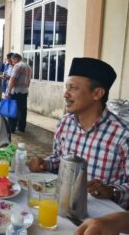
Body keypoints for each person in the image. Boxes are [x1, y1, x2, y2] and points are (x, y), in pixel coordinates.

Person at [28, 57, 129, 209]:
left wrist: (112, 191)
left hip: (102, 220)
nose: (65, 94)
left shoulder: (123, 135)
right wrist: (45, 163)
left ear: (97, 94)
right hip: (63, 206)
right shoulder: (65, 123)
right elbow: (58, 159)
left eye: (73, 88)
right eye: (66, 87)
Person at [7, 53, 32, 133]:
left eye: (12, 61)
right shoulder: (28, 67)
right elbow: (28, 80)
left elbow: (13, 79)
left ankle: (12, 128)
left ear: (16, 59)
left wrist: (9, 91)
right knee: (22, 111)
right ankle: (21, 128)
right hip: (24, 91)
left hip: (16, 92)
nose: (12, 63)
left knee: (13, 110)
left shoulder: (17, 66)